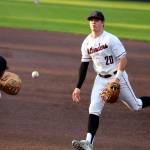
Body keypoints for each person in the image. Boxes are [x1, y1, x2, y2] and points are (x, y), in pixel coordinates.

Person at [71, 10, 150, 150]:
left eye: (96, 20)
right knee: (93, 109)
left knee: (136, 106)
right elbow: (84, 65)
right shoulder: (87, 42)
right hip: (100, 79)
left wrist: (117, 79)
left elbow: (123, 60)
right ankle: (88, 143)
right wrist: (78, 87)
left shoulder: (110, 39)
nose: (93, 22)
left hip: (117, 76)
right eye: (91, 20)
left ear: (102, 22)